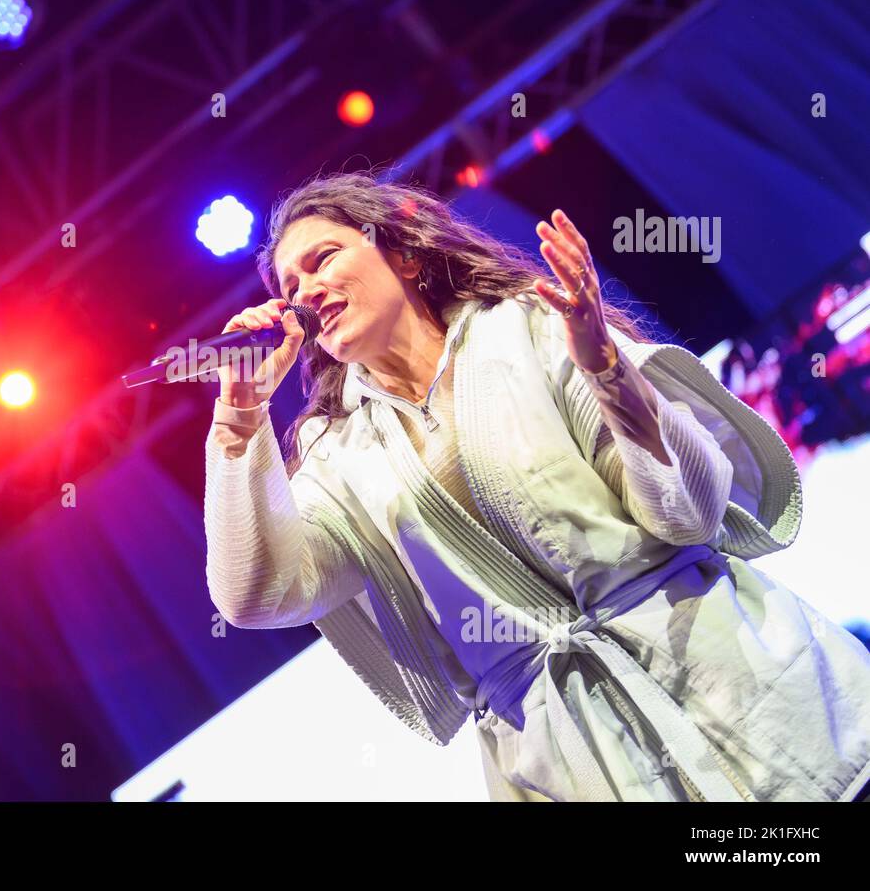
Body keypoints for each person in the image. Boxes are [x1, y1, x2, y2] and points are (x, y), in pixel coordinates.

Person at [202, 169, 870, 801]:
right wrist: (239, 424)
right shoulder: (333, 456)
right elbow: (260, 596)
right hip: (575, 758)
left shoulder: (530, 327)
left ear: (403, 257)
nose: (304, 291)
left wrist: (607, 368)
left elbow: (689, 515)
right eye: (289, 284)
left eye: (322, 258)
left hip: (742, 690)